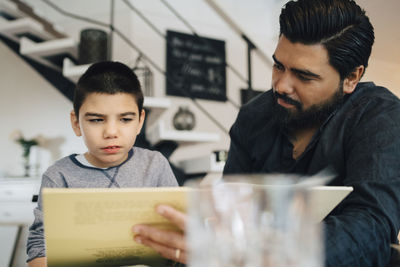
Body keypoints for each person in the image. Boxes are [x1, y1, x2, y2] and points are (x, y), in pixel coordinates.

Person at [132, 0, 400, 266]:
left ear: (351, 77)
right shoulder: (253, 117)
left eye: (304, 77)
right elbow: (232, 213)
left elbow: (372, 226)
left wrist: (264, 251)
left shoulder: (379, 116)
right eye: (278, 66)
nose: (281, 85)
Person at [26, 61, 178, 266]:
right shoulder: (59, 175)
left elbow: (178, 234)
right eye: (97, 120)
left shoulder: (155, 164)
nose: (111, 133)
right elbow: (39, 246)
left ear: (140, 122)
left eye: (125, 119)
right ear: (76, 123)